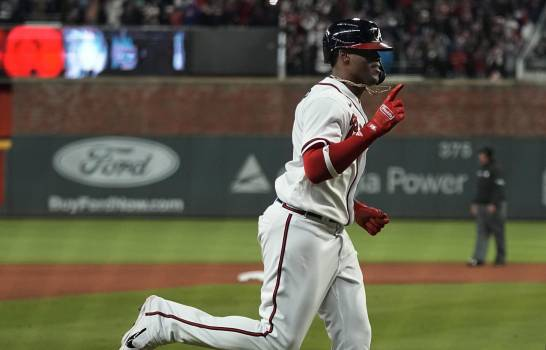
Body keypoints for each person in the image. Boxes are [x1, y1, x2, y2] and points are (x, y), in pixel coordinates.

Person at [119, 18, 406, 350]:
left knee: (355, 340)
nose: (377, 60)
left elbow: (313, 172)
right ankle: (165, 319)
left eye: (378, 52)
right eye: (369, 52)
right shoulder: (326, 99)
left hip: (333, 233)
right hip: (302, 229)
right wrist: (374, 129)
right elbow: (314, 167)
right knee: (276, 341)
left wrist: (352, 208)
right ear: (344, 56)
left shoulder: (347, 100)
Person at [468, 146, 507, 267]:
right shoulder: (481, 169)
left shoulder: (496, 169)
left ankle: (500, 258)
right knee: (481, 232)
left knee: (498, 232)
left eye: (482, 156)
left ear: (488, 156)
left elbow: (499, 188)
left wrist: (493, 203)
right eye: (480, 155)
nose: (480, 157)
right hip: (481, 205)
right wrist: (474, 203)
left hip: (494, 206)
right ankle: (479, 258)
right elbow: (480, 189)